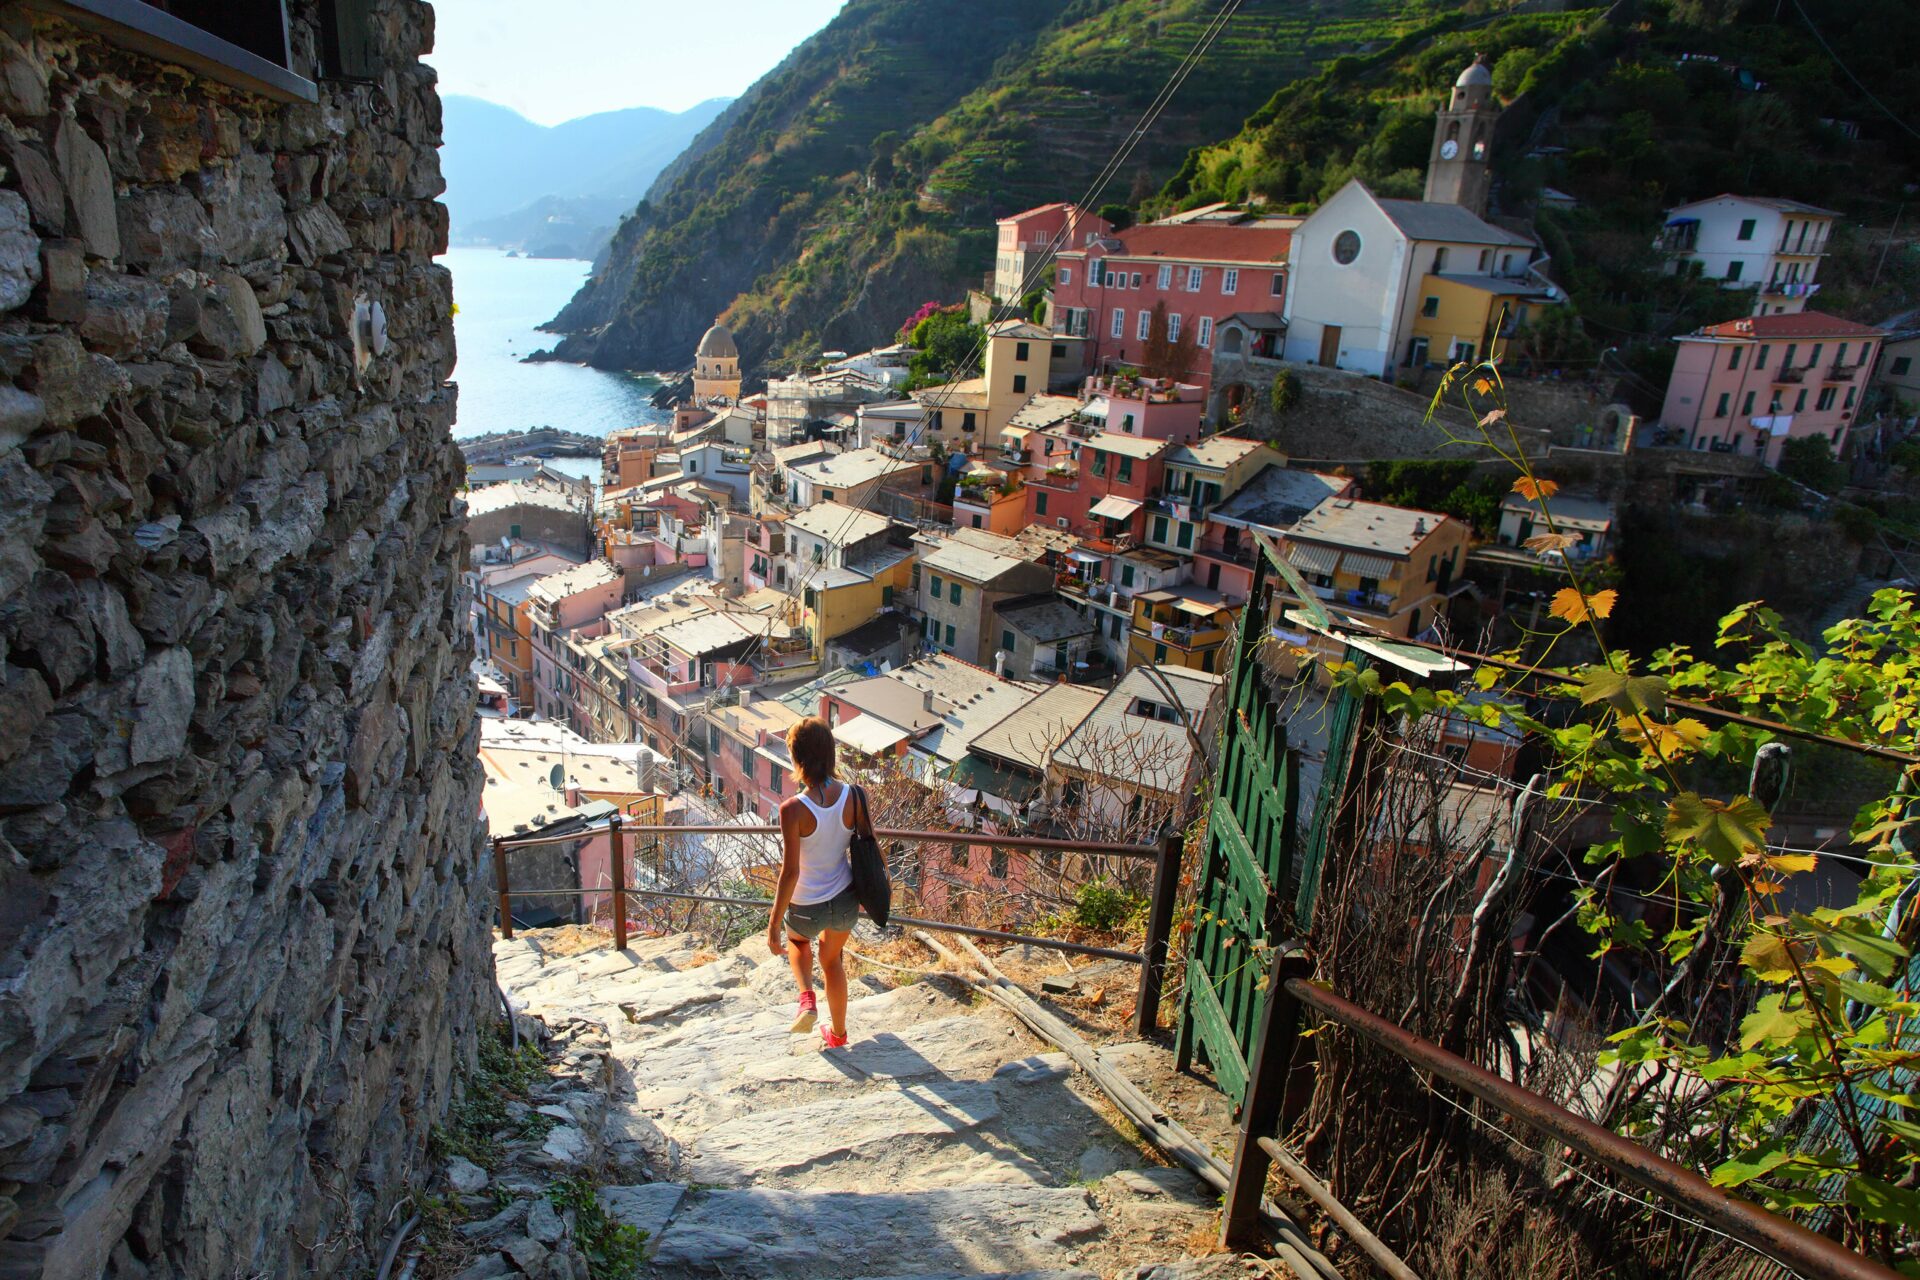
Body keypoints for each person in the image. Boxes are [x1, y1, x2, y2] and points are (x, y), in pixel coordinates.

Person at [767, 717, 864, 1048]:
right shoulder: (854, 796)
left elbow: (790, 872)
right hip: (847, 899)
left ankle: (807, 998)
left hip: (807, 904)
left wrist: (774, 923)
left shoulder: (793, 809)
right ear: (829, 753)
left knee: (798, 942)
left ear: (797, 758)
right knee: (832, 960)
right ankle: (838, 1035)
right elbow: (869, 845)